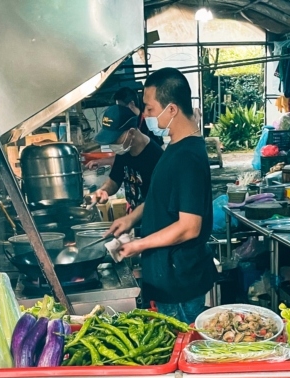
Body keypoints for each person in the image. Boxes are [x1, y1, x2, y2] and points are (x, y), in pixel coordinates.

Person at [107, 68, 216, 325]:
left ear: (172, 109)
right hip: (167, 278)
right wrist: (131, 219)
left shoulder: (188, 156)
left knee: (181, 347)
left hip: (180, 283)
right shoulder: (174, 147)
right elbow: (161, 197)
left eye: (150, 109)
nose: (145, 115)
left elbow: (189, 227)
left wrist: (137, 245)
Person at [91, 104, 163, 211]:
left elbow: (158, 202)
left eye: (115, 140)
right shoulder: (124, 151)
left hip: (151, 223)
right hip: (132, 221)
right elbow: (114, 180)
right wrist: (104, 190)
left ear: (131, 133)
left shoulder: (156, 158)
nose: (112, 145)